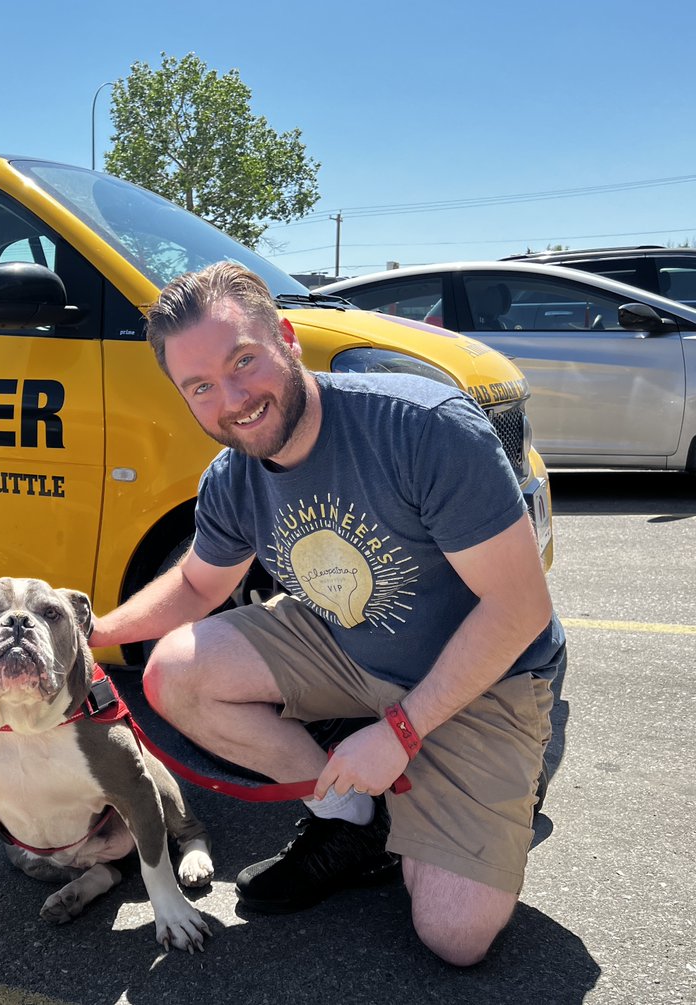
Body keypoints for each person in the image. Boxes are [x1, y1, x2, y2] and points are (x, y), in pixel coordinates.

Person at [88, 262, 565, 966]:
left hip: (486, 675)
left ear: (286, 337)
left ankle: (511, 770)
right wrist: (88, 633)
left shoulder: (422, 428)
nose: (233, 398)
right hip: (350, 645)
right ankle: (351, 816)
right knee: (174, 672)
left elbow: (520, 605)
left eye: (242, 360)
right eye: (201, 386)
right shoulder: (233, 477)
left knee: (454, 936)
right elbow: (194, 586)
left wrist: (402, 731)